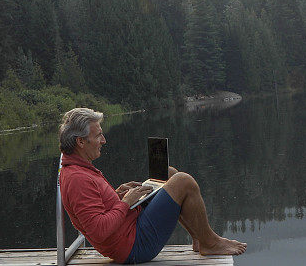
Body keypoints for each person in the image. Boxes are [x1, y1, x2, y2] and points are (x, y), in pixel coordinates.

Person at [58, 107, 246, 264]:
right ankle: (210, 243)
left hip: (130, 230)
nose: (104, 140)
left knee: (169, 174)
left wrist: (116, 195)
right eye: (98, 135)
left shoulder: (77, 169)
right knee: (183, 181)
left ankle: (199, 238)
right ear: (81, 141)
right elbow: (99, 231)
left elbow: (95, 209)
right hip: (134, 246)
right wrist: (125, 203)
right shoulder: (78, 179)